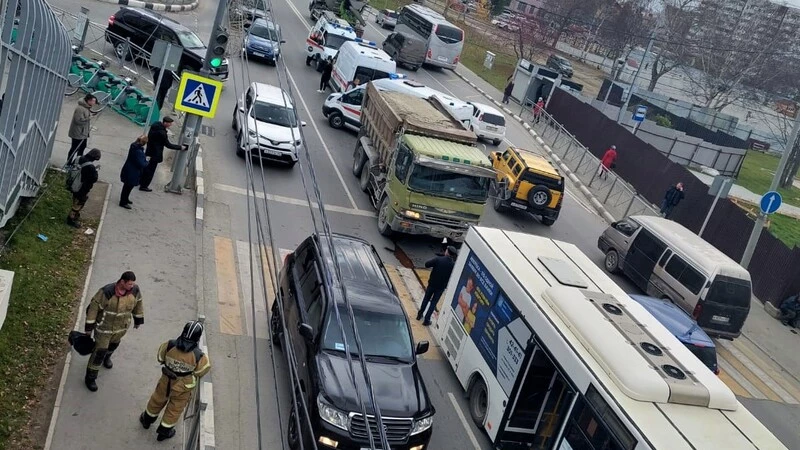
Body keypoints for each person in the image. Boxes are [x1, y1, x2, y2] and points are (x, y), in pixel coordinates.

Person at [139, 321, 211, 441]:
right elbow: (203, 370)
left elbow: (160, 357)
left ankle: (146, 420)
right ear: (197, 338)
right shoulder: (198, 356)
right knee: (175, 408)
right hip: (183, 387)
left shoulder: (170, 345)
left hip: (166, 380)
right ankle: (164, 432)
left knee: (157, 399)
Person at [83, 271, 144, 391]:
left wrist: (138, 320)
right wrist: (89, 328)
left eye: (133, 284)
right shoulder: (106, 292)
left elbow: (139, 304)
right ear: (122, 282)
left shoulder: (134, 291)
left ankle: (107, 357)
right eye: (129, 284)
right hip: (104, 329)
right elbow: (93, 309)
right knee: (99, 352)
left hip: (121, 329)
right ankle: (90, 378)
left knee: (114, 345)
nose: (132, 287)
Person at [139, 116, 185, 192]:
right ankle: (144, 186)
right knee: (151, 171)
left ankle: (140, 181)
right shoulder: (162, 133)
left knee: (146, 167)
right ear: (165, 123)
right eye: (169, 123)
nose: (170, 125)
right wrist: (180, 147)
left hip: (149, 151)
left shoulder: (155, 125)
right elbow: (168, 145)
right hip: (155, 154)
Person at [416, 246, 458, 326]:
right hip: (440, 288)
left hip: (432, 284)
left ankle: (419, 315)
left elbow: (427, 264)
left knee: (426, 299)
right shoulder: (452, 265)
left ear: (447, 251)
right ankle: (426, 320)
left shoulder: (438, 259)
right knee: (433, 303)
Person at [67, 148, 101, 228]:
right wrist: (96, 171)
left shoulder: (78, 158)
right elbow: (94, 179)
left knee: (75, 199)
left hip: (73, 183)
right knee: (79, 203)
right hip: (82, 188)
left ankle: (75, 214)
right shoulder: (91, 167)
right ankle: (71, 219)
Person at [119, 135, 149, 209]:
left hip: (128, 168)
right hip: (133, 171)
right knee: (128, 187)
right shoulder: (138, 151)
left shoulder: (134, 146)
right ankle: (123, 202)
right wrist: (147, 161)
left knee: (127, 187)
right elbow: (142, 164)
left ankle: (125, 199)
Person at [66, 94, 96, 166]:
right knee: (74, 148)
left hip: (83, 133)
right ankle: (68, 163)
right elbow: (78, 121)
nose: (94, 103)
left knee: (82, 147)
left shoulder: (87, 107)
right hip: (78, 133)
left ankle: (77, 162)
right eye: (93, 101)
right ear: (88, 101)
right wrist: (89, 118)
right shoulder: (80, 109)